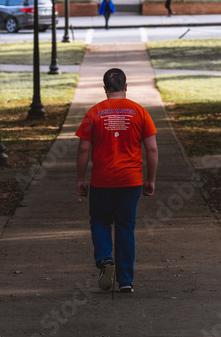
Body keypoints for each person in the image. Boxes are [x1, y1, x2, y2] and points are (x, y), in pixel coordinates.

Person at [76, 68, 158, 294]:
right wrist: (150, 179)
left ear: (105, 89)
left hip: (102, 180)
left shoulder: (94, 113)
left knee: (100, 220)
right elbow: (151, 148)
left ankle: (104, 260)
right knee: (125, 226)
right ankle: (125, 281)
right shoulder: (139, 112)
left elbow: (84, 149)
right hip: (131, 180)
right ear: (126, 87)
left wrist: (81, 179)